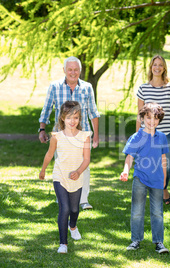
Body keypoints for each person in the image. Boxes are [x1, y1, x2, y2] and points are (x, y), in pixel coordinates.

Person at [39, 56, 100, 210]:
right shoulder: (54, 87)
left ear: (80, 71)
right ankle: (63, 197)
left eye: (76, 70)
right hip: (61, 135)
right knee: (63, 165)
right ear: (64, 70)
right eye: (70, 69)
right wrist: (42, 129)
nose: (73, 72)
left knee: (84, 166)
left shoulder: (87, 87)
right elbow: (46, 109)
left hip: (83, 134)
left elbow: (93, 112)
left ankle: (83, 200)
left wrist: (96, 135)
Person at [39, 101, 91, 254]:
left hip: (77, 177)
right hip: (60, 176)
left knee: (74, 210)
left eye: (75, 117)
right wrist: (43, 170)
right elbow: (49, 154)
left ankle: (72, 226)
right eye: (68, 118)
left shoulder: (85, 137)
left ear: (79, 118)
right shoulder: (56, 136)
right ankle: (63, 244)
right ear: (62, 118)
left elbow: (87, 159)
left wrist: (79, 172)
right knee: (65, 208)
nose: (72, 121)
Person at [121, 103, 169, 254]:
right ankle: (135, 240)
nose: (151, 121)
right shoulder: (136, 137)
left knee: (157, 212)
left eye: (155, 118)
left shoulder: (161, 137)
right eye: (148, 117)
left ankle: (159, 242)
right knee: (137, 211)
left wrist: (164, 181)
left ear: (159, 120)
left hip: (157, 180)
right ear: (142, 118)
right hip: (140, 178)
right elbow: (129, 157)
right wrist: (125, 171)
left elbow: (163, 159)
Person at [136, 55, 170, 205]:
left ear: (164, 68)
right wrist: (138, 135)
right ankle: (154, 192)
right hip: (147, 134)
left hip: (165, 134)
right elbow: (139, 114)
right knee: (148, 164)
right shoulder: (143, 88)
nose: (157, 67)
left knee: (165, 167)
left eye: (160, 65)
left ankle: (164, 188)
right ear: (151, 67)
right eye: (155, 64)